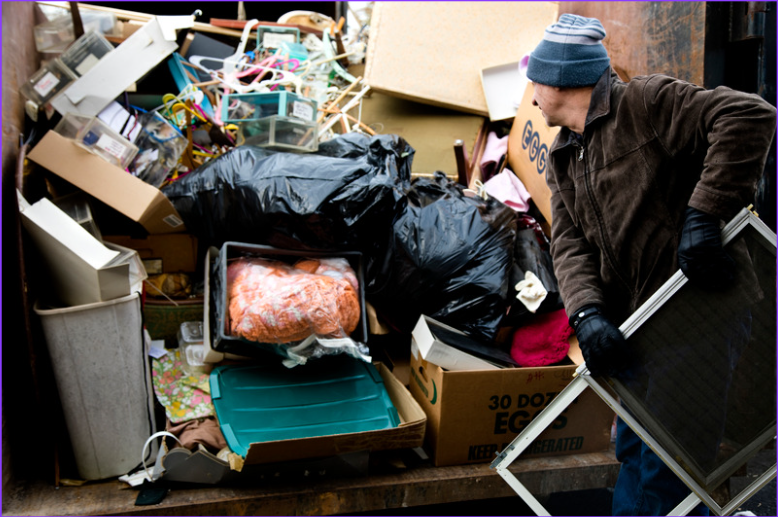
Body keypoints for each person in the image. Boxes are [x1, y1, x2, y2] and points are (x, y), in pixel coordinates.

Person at [525, 13, 777, 516]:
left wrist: (705, 213)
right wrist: (588, 315)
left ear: (560, 78)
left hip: (695, 316)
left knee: (667, 469)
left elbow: (749, 116)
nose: (529, 92)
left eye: (534, 77)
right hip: (638, 327)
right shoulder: (562, 156)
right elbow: (570, 245)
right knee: (637, 455)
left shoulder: (644, 103)